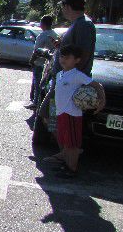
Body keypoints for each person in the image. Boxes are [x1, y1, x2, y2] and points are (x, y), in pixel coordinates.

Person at [44, 44, 105, 178]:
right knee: (65, 142)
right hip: (61, 113)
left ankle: (72, 169)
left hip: (71, 114)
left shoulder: (77, 75)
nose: (63, 59)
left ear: (77, 60)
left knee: (72, 144)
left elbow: (96, 85)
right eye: (61, 56)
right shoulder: (60, 74)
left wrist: (102, 100)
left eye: (67, 57)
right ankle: (66, 164)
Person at [52, 0, 96, 77]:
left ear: (67, 6)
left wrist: (68, 78)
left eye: (62, 6)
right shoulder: (78, 23)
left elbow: (83, 55)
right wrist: (61, 46)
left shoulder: (84, 24)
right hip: (67, 80)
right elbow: (74, 50)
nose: (62, 9)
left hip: (71, 83)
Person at [28, 14, 58, 107]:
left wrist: (31, 61)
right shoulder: (55, 34)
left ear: (43, 24)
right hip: (50, 63)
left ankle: (36, 102)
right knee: (45, 84)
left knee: (38, 83)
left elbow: (37, 51)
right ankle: (39, 101)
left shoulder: (42, 35)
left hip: (40, 62)